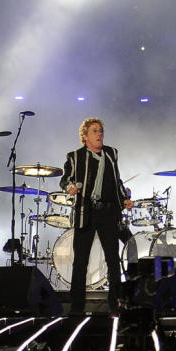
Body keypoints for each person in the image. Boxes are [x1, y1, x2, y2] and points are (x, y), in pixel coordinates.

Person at [59, 118, 133, 314]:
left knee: (113, 258)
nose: (99, 134)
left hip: (108, 212)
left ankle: (115, 303)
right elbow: (65, 179)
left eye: (100, 131)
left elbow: (117, 181)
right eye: (94, 131)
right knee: (80, 260)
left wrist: (124, 199)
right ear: (85, 137)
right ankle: (77, 306)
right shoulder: (75, 156)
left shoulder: (111, 153)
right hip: (86, 212)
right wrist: (70, 187)